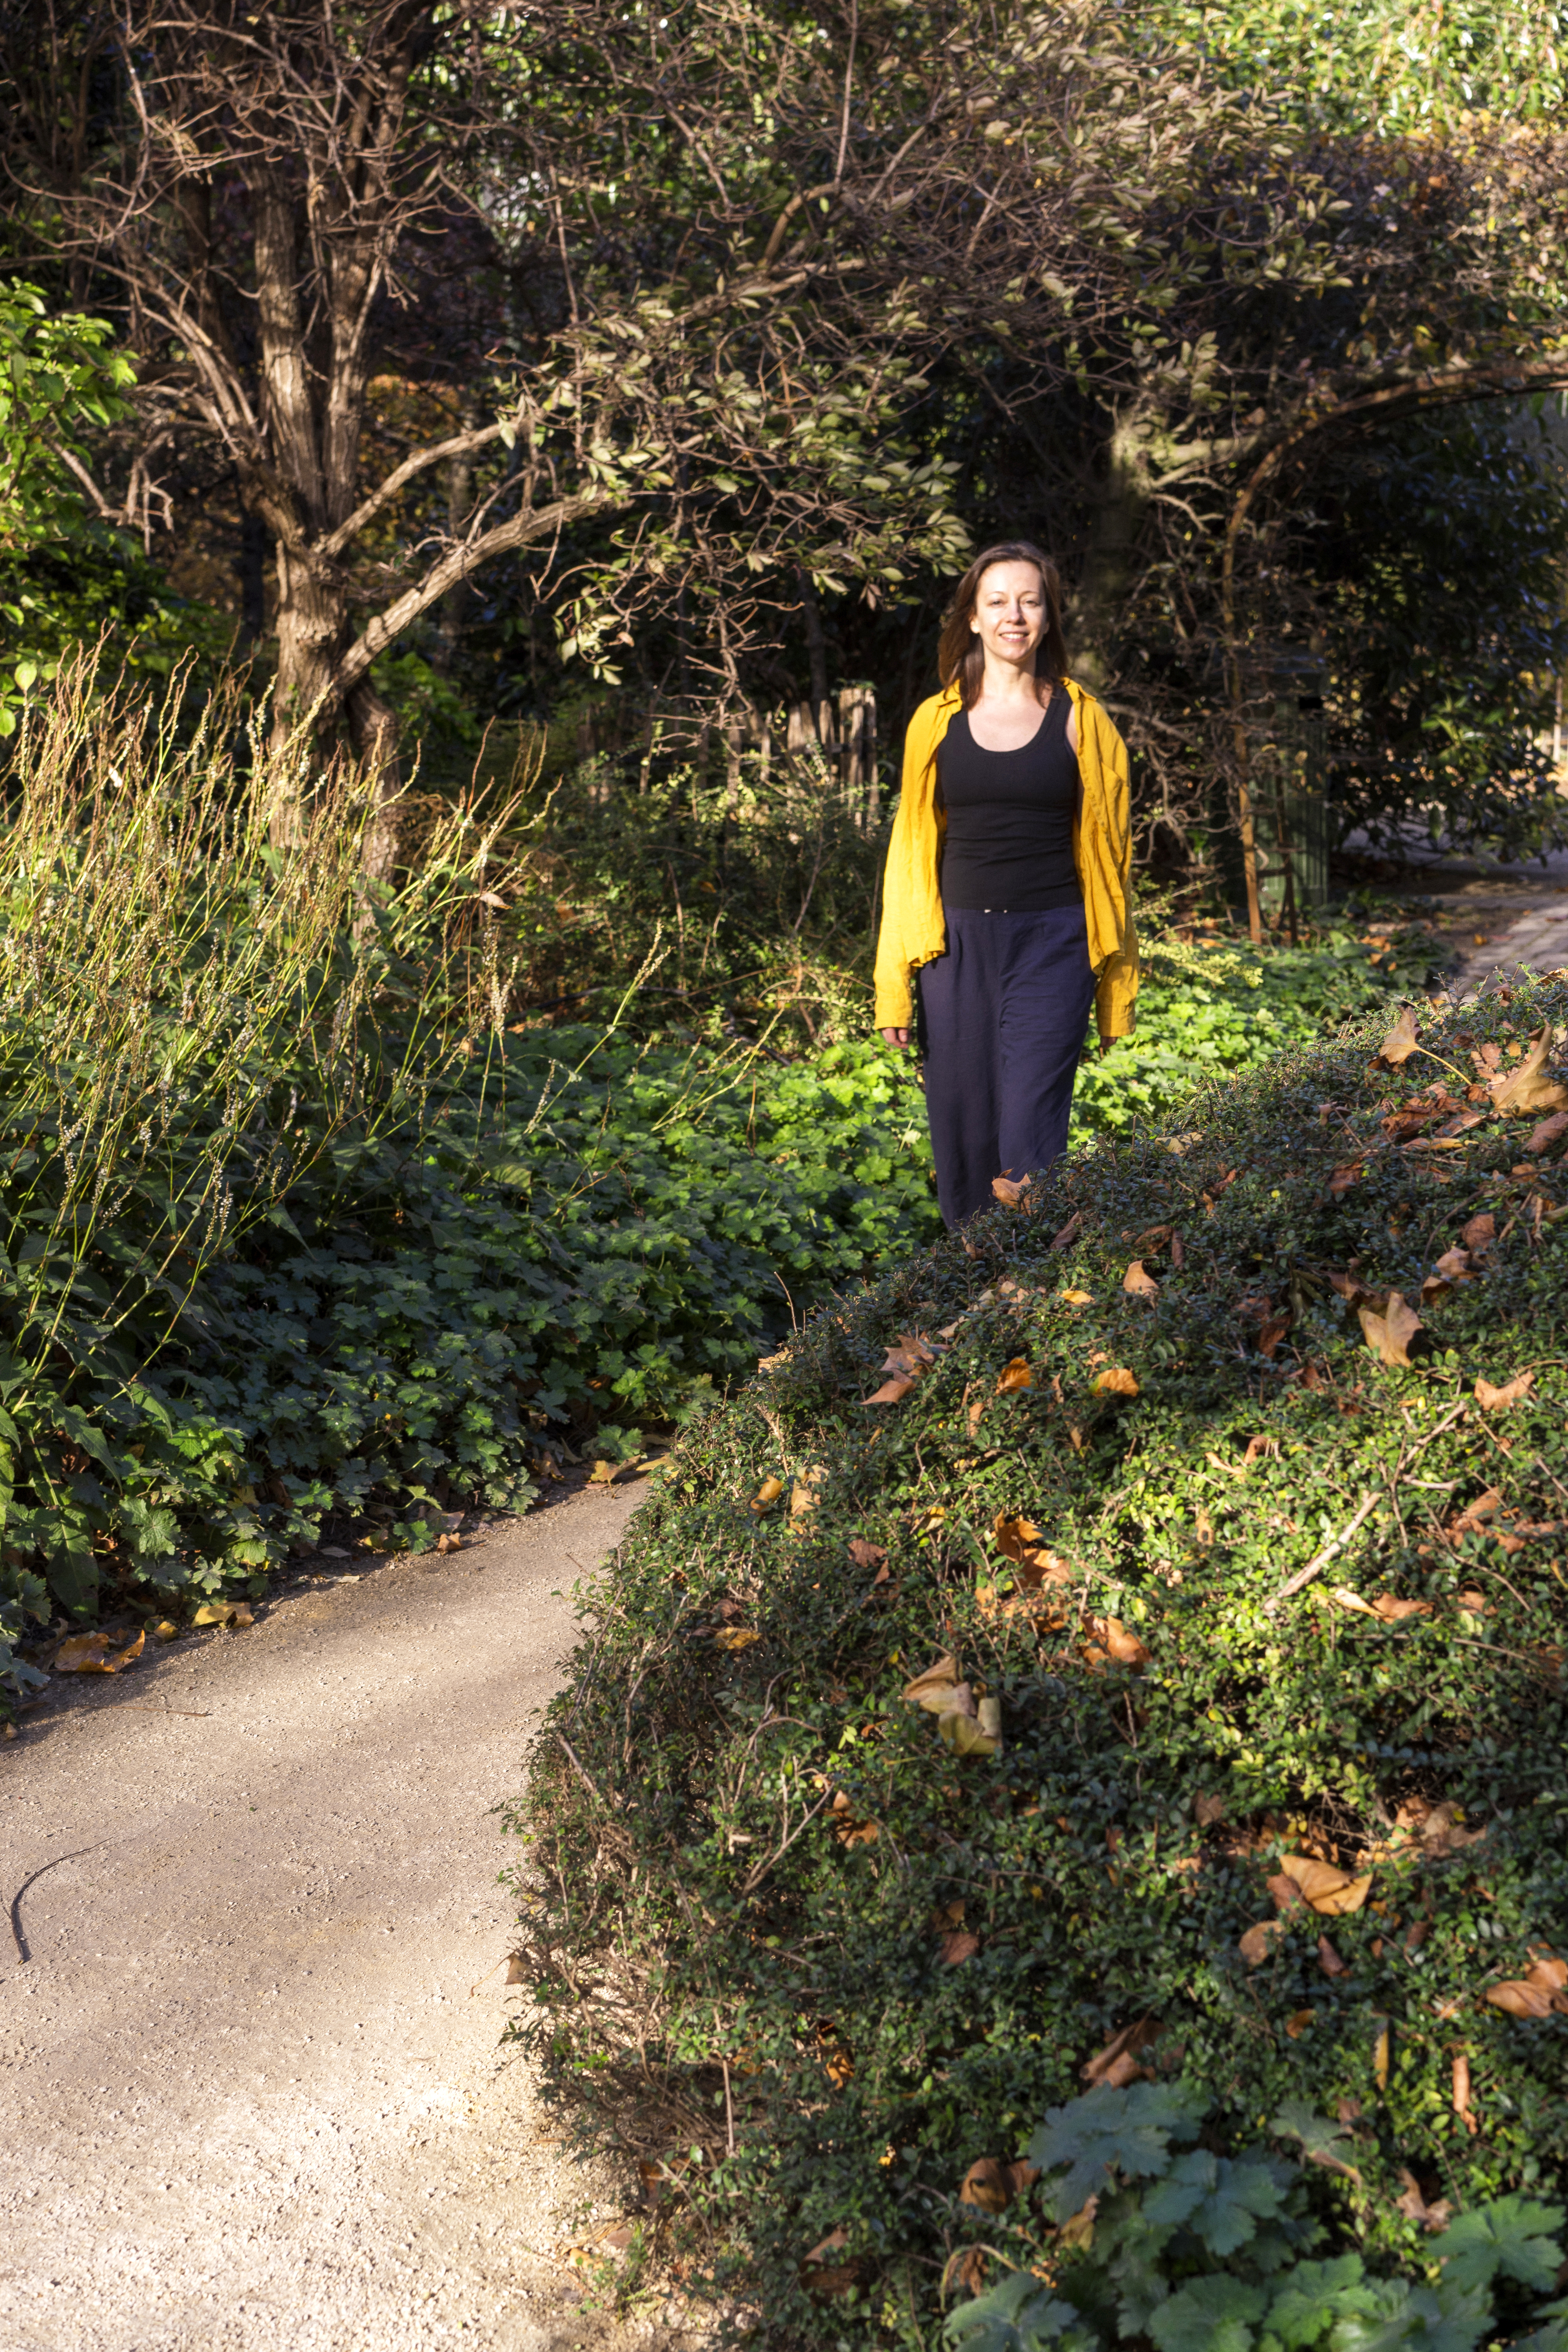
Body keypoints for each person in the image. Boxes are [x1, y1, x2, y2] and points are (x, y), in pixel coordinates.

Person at [873, 541, 1138, 1227]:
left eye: (1029, 601)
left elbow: (1112, 859)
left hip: (1054, 943)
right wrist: (893, 985)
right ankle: (972, 1275)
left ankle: (1029, 1271)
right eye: (997, 602)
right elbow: (909, 852)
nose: (1013, 616)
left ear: (1048, 619)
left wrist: (1114, 981)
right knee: (961, 1132)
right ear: (972, 617)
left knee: (1031, 1130)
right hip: (954, 948)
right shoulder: (934, 722)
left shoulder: (1083, 720)